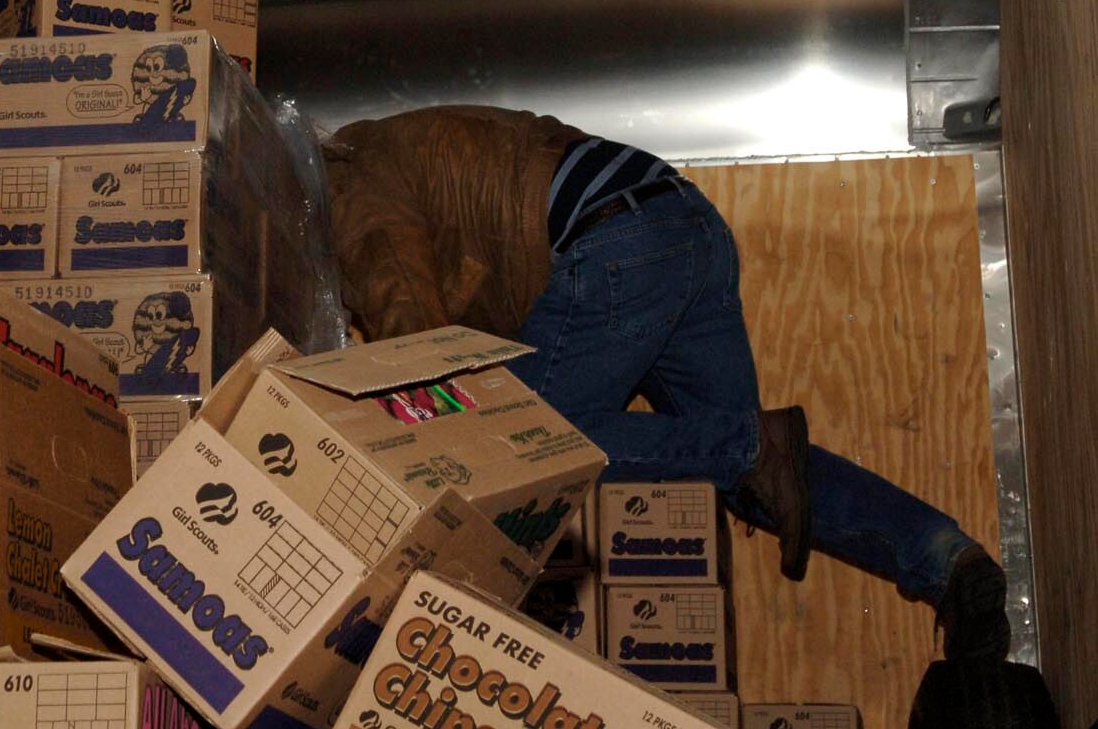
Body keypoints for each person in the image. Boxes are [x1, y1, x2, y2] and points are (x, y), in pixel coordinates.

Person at [323, 104, 1010, 662]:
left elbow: (418, 348)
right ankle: (947, 561)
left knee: (529, 443)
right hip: (681, 225)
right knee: (759, 476)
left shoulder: (349, 186)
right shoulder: (388, 151)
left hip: (614, 241)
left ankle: (752, 446)